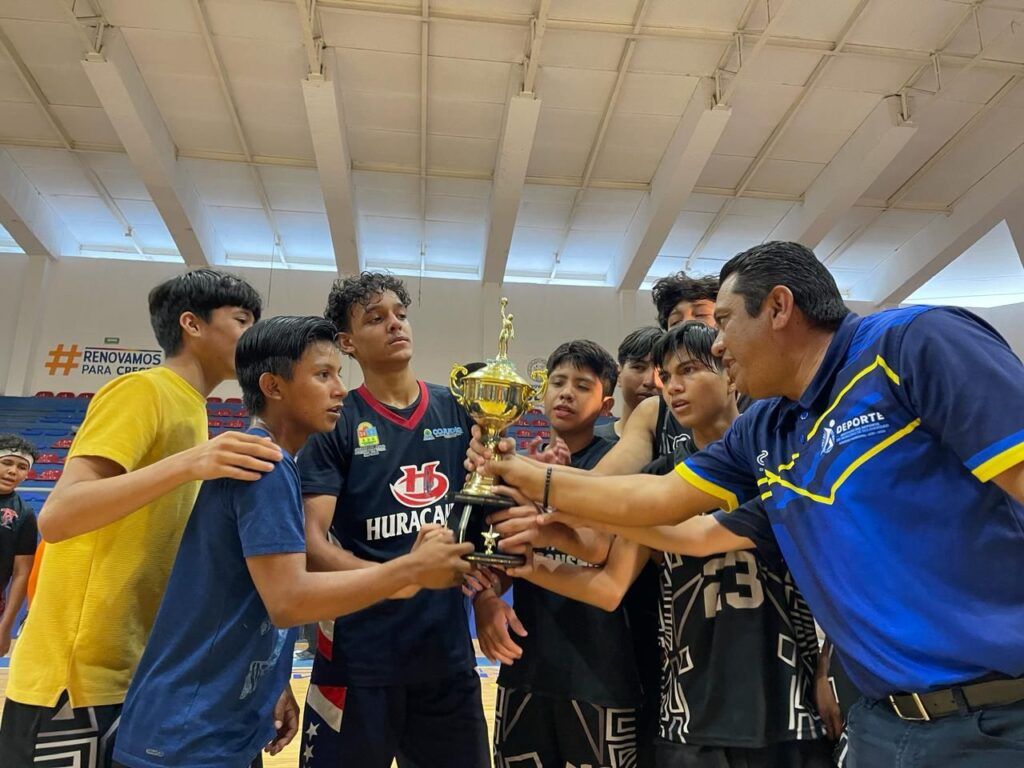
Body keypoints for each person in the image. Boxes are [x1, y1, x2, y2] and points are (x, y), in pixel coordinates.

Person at [482, 241, 1024, 766]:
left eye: (722, 322)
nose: (716, 346)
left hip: (997, 715)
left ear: (779, 307)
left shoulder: (913, 343)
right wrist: (532, 478)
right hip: (882, 722)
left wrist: (542, 488)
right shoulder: (766, 429)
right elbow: (663, 497)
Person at [111, 316, 472, 768]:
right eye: (324, 375)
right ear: (274, 386)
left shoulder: (271, 459)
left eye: (338, 374)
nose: (340, 389)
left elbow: (256, 594)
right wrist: (409, 571)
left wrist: (274, 683)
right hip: (186, 735)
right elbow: (288, 599)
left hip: (218, 725)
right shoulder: (265, 465)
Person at [504, 322, 832, 767]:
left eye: (691, 371)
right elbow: (609, 582)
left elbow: (693, 537)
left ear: (731, 375)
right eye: (666, 376)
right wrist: (530, 560)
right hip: (688, 710)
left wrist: (556, 500)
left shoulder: (777, 462)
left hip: (786, 700)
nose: (673, 388)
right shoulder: (657, 476)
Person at [0, 269, 281, 767]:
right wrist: (189, 463)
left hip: (139, 673)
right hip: (76, 684)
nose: (252, 334)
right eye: (241, 320)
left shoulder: (195, 411)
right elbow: (59, 516)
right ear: (191, 325)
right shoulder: (142, 390)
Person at [297, 272, 489, 768]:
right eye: (376, 318)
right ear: (347, 343)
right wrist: (397, 578)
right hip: (357, 659)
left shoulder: (460, 408)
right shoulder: (334, 422)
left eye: (400, 315)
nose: (395, 325)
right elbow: (311, 546)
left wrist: (487, 594)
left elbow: (481, 526)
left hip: (444, 655)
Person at [476, 339, 645, 767]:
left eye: (582, 385)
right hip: (526, 671)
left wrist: (557, 507)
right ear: (541, 394)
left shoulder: (625, 466)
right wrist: (487, 597)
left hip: (602, 677)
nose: (566, 392)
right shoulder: (518, 467)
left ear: (606, 405)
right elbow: (496, 552)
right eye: (558, 382)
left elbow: (608, 559)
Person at [0, 434, 39, 657]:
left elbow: (22, 573)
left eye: (22, 467)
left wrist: (6, 626)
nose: (14, 471)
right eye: (7, 462)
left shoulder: (24, 515)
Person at [596, 326, 662, 442]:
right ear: (619, 374)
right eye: (639, 367)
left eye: (662, 373)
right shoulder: (591, 440)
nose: (650, 381)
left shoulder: (686, 446)